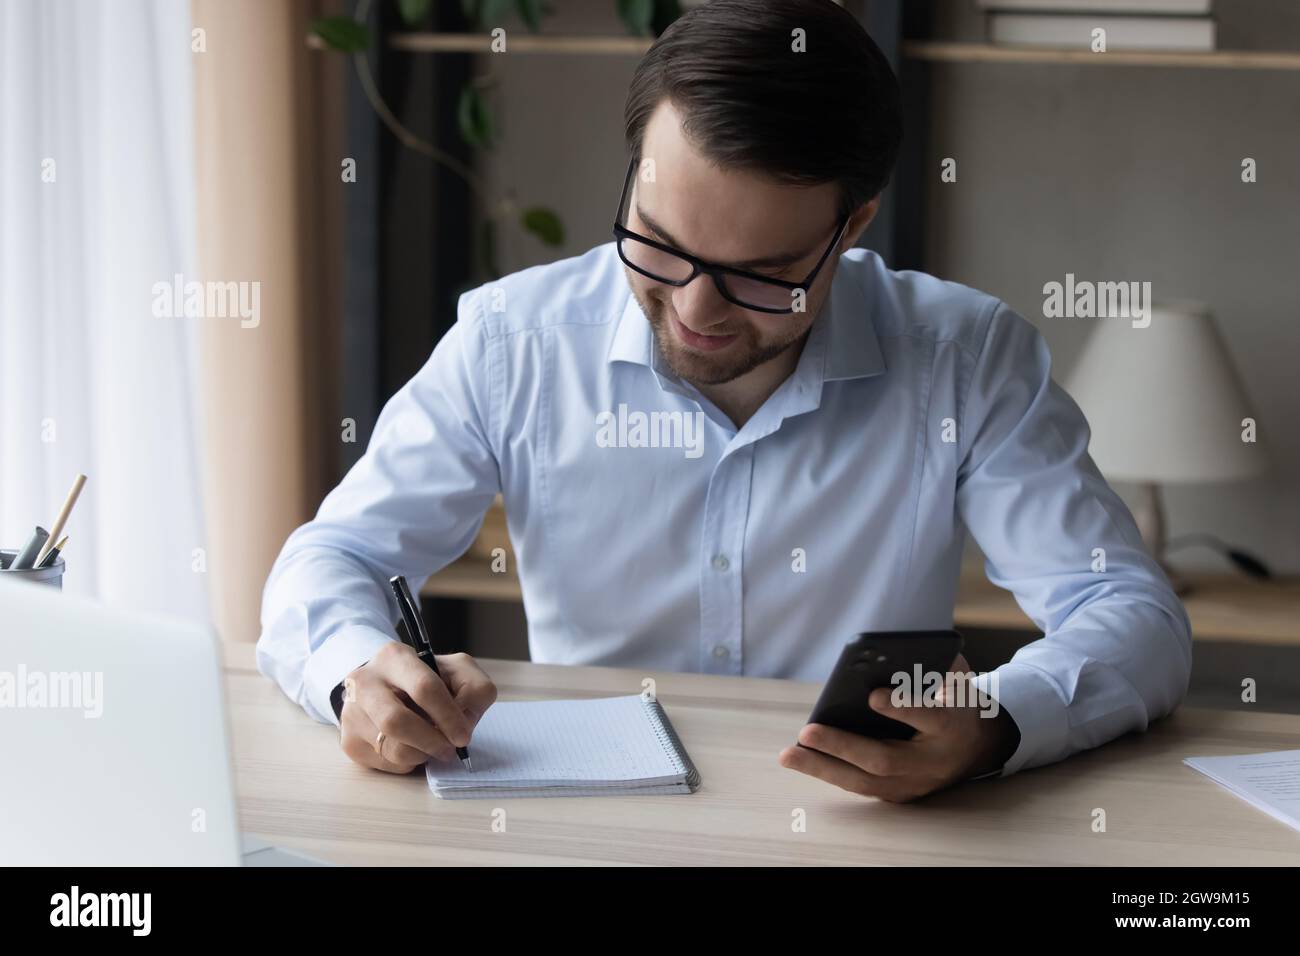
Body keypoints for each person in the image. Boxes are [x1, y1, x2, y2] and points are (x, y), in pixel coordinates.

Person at [258, 0, 1190, 802]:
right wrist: (355, 674)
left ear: (853, 222)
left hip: (856, 832)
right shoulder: (515, 343)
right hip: (583, 830)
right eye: (658, 244)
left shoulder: (963, 358)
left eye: (764, 275)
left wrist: (994, 722)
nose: (695, 308)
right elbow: (334, 556)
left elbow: (1130, 612)